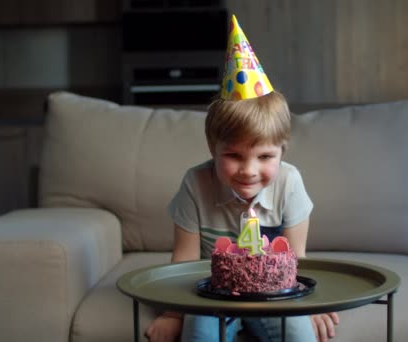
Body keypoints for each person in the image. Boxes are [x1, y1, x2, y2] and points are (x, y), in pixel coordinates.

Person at [145, 15, 339, 342]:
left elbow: (297, 258)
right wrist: (172, 314)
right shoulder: (196, 184)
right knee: (200, 332)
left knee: (299, 334)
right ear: (213, 147)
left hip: (278, 292)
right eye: (234, 156)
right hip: (213, 293)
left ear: (282, 150)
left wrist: (312, 304)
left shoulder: (290, 184)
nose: (248, 170)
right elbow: (185, 260)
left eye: (265, 157)